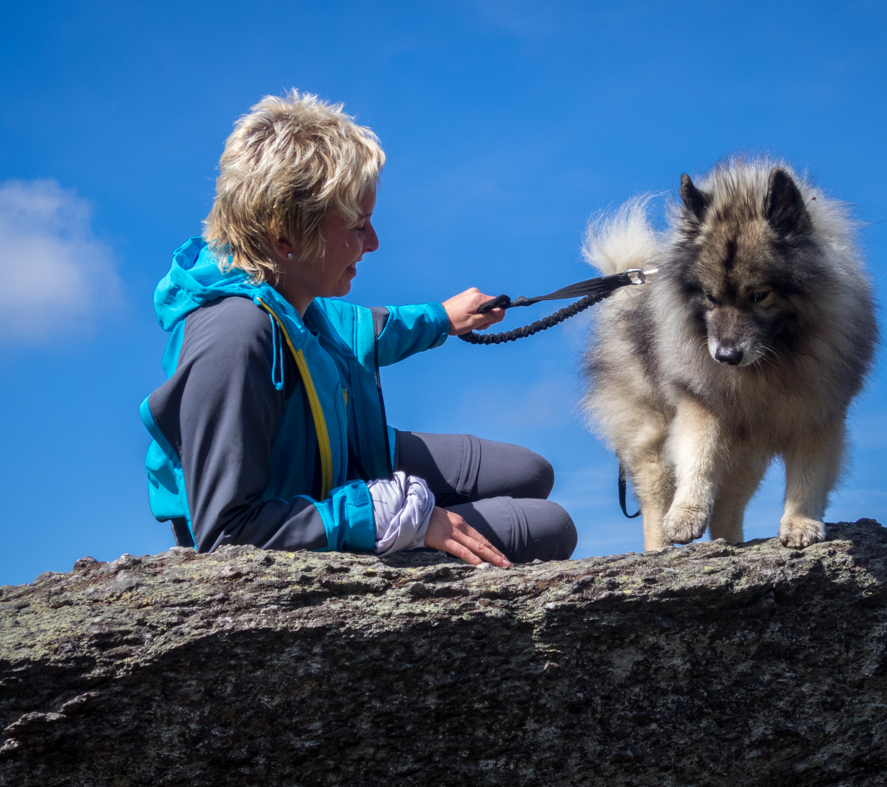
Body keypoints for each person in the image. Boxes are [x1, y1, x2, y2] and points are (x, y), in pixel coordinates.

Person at [140, 90, 577, 567]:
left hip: (342, 456)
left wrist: (444, 318)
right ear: (285, 236)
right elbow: (226, 534)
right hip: (305, 516)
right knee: (551, 527)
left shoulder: (289, 297)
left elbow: (362, 330)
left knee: (530, 472)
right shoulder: (233, 338)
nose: (373, 242)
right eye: (357, 226)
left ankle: (425, 526)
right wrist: (391, 516)